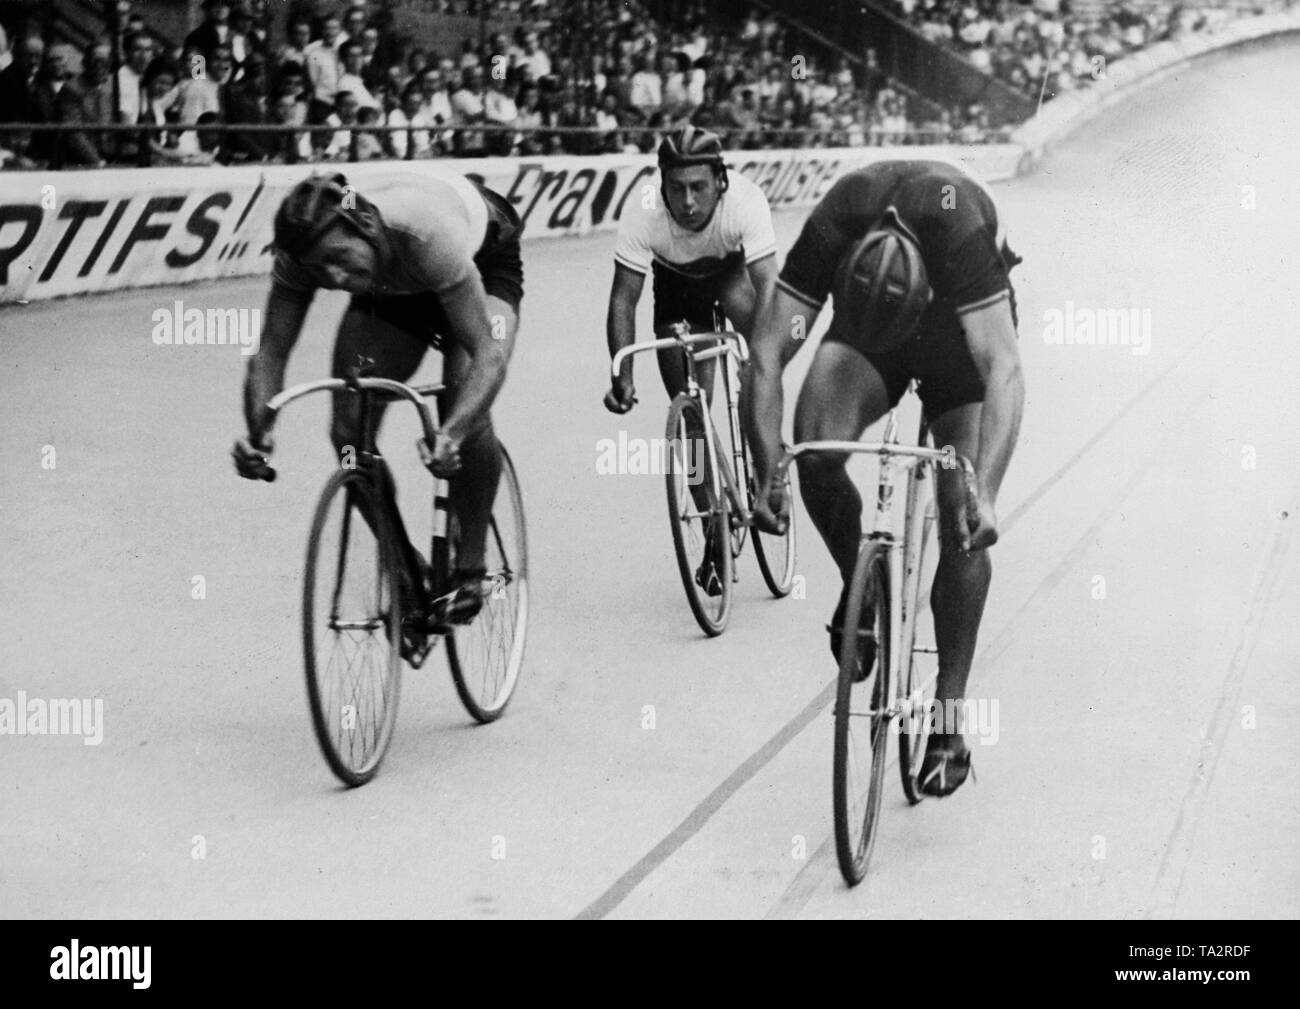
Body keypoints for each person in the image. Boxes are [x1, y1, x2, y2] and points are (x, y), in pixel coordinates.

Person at [742, 159, 1025, 797]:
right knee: (816, 447)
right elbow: (766, 351)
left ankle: (949, 720)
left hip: (961, 339)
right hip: (869, 334)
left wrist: (988, 494)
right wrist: (768, 469)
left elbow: (1003, 367)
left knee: (961, 519)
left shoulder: (961, 236)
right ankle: (860, 583)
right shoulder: (839, 216)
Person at [233, 171, 524, 657]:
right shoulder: (304, 251)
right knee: (348, 432)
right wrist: (258, 433)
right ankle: (405, 566)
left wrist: (450, 434)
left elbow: (489, 355)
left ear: (366, 227)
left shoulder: (427, 235)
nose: (335, 280)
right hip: (391, 289)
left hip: (479, 260)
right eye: (321, 272)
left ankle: (470, 568)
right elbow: (270, 353)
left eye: (340, 263)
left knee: (464, 401)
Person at [603, 126, 778, 595]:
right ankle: (714, 525)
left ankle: (767, 478)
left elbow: (770, 290)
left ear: (720, 181)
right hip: (678, 291)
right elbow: (624, 299)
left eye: (698, 187)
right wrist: (621, 371)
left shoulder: (745, 200)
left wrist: (763, 362)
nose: (687, 202)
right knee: (690, 417)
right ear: (660, 185)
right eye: (675, 188)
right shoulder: (643, 208)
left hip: (731, 275)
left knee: (759, 367)